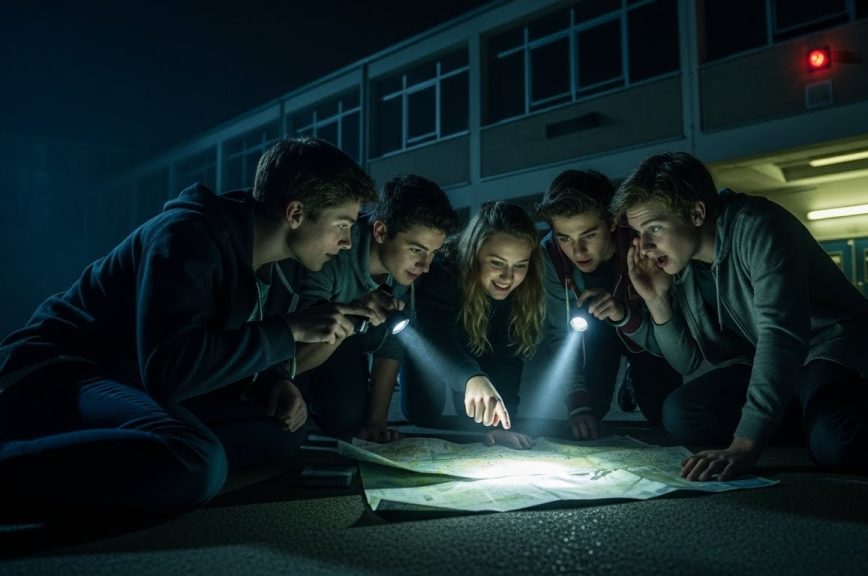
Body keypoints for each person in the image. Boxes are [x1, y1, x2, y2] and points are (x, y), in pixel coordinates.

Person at [0, 137, 378, 520]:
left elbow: (211, 345)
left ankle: (144, 450)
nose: (347, 243)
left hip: (134, 380)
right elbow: (169, 370)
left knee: (284, 430)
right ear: (295, 213)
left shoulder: (264, 261)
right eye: (342, 225)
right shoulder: (188, 235)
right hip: (64, 369)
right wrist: (287, 330)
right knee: (196, 462)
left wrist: (268, 383)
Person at [611, 151, 868, 481]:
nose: (643, 246)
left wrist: (746, 445)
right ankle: (810, 418)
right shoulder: (682, 269)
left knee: (837, 444)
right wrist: (657, 299)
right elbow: (687, 362)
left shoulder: (758, 226)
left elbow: (782, 336)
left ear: (697, 213)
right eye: (638, 234)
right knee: (682, 413)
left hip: (838, 348)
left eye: (654, 229)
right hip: (783, 368)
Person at [295, 175, 458, 442]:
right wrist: (353, 315)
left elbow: (392, 344)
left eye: (432, 252)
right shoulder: (333, 252)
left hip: (362, 336)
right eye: (416, 250)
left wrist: (377, 421)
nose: (425, 266)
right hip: (324, 343)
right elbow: (295, 354)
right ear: (381, 232)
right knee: (343, 419)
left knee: (367, 418)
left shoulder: (404, 268)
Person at [535, 169, 680, 439]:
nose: (577, 251)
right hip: (593, 332)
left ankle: (634, 376)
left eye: (588, 235)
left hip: (644, 331)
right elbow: (558, 334)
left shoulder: (641, 242)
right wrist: (578, 406)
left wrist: (623, 314)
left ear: (613, 221)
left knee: (663, 414)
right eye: (564, 238)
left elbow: (669, 334)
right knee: (588, 410)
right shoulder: (550, 254)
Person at [400, 201, 543, 448]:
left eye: (520, 265)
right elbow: (438, 339)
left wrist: (502, 423)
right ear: (474, 254)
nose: (508, 277)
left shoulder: (523, 288)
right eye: (497, 263)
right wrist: (471, 378)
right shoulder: (441, 271)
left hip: (478, 342)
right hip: (432, 342)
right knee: (422, 413)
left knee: (479, 419)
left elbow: (509, 355)